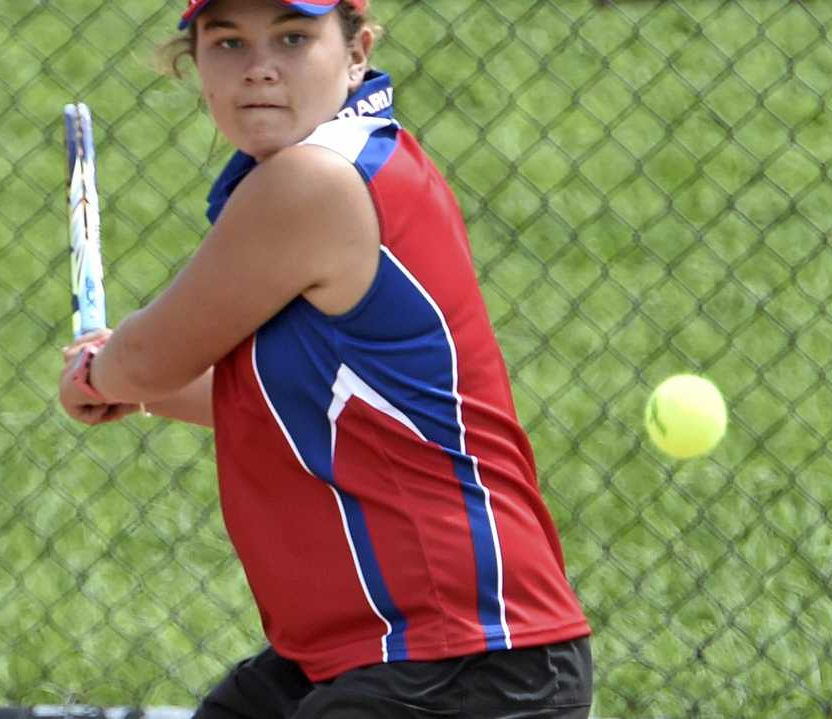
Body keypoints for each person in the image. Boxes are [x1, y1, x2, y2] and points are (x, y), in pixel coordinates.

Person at [58, 0, 593, 715]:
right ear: (195, 63)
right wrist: (127, 384)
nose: (259, 69)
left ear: (357, 52)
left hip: (464, 655)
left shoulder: (315, 180)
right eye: (227, 43)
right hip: (363, 650)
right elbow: (286, 395)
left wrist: (105, 370)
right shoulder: (347, 162)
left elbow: (153, 356)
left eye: (293, 37)